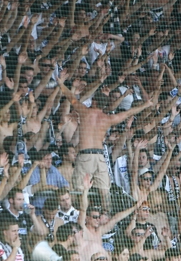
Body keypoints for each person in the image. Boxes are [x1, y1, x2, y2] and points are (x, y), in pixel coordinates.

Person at [57, 70, 154, 210]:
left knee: (80, 190)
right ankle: (107, 215)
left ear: (94, 101)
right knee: (104, 192)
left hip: (85, 155)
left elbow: (71, 98)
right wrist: (145, 105)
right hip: (100, 156)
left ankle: (80, 216)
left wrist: (61, 83)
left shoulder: (85, 112)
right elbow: (129, 112)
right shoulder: (108, 119)